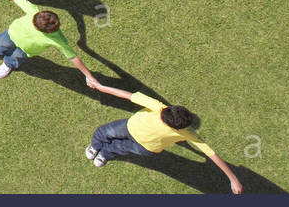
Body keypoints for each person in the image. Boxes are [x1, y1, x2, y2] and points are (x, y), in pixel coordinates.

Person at [84, 82, 243, 193]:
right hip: (145, 147)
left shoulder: (159, 107)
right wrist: (233, 179)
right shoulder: (186, 132)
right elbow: (211, 153)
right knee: (117, 148)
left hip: (130, 128)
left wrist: (100, 87)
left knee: (101, 133)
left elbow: (127, 95)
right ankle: (103, 155)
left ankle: (95, 149)